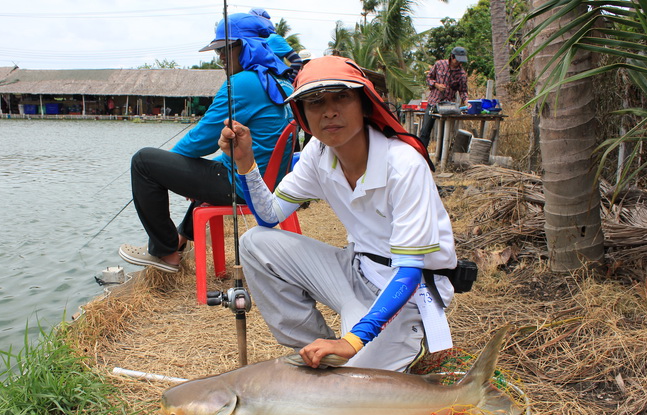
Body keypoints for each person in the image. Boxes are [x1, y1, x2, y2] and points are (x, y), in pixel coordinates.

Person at [220, 55, 458, 372]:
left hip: (408, 289)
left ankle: (359, 353)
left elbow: (410, 272)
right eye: (315, 102)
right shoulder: (318, 155)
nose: (329, 111)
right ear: (302, 114)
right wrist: (245, 162)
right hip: (355, 268)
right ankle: (318, 352)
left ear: (364, 103)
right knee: (255, 243)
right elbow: (269, 216)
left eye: (342, 97)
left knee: (360, 382)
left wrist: (352, 341)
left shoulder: (403, 164)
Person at [118, 13, 294, 273]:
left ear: (246, 46)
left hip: (245, 187)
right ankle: (179, 238)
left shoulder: (242, 83)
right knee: (211, 167)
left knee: (144, 162)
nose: (220, 57)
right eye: (218, 51)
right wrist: (185, 172)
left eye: (225, 49)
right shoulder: (282, 82)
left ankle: (165, 252)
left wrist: (172, 169)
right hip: (269, 183)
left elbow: (201, 141)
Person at [418, 46, 469, 147]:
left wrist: (467, 101)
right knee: (425, 131)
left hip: (448, 106)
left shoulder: (462, 74)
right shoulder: (439, 64)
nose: (459, 63)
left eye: (461, 61)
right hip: (433, 102)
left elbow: (463, 91)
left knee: (444, 135)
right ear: (452, 57)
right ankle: (421, 154)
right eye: (457, 60)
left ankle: (441, 159)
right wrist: (436, 85)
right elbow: (428, 78)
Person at [249, 8, 303, 82]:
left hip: (274, 85)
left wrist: (289, 80)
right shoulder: (248, 41)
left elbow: (296, 60)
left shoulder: (273, 38)